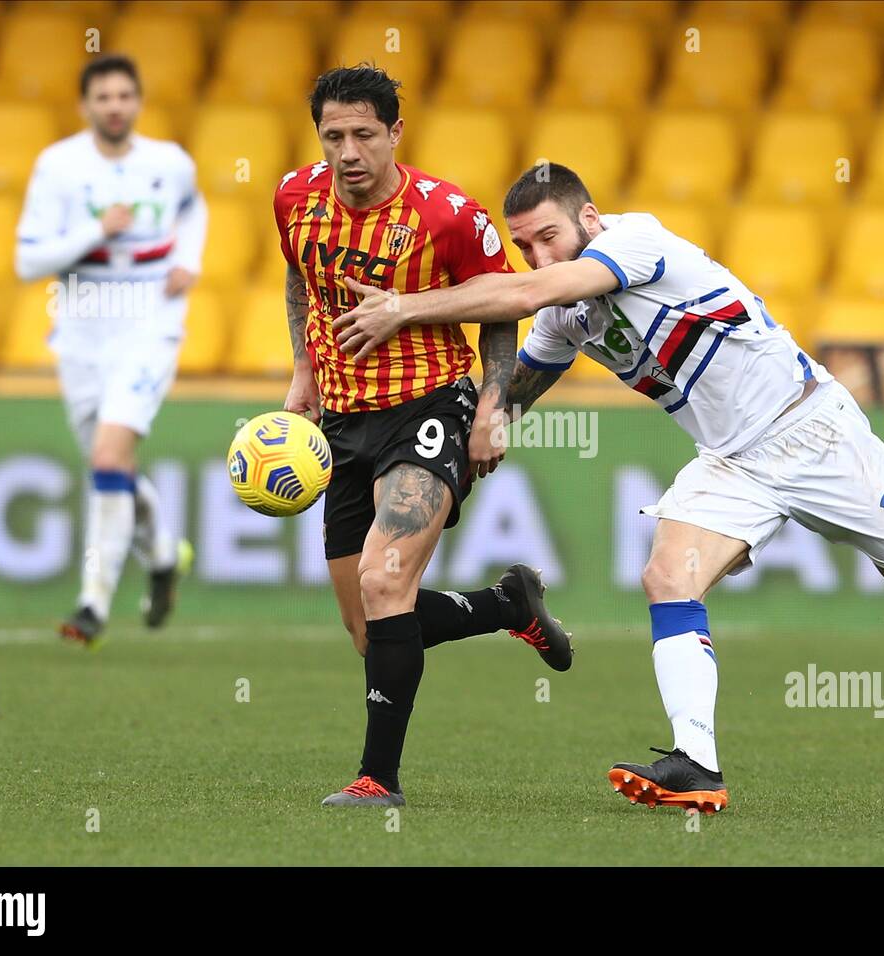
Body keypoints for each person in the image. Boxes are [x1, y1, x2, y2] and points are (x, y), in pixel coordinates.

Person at [330, 162, 884, 814]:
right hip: (732, 461)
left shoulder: (637, 242)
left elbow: (526, 293)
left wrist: (405, 307)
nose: (538, 254)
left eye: (547, 236)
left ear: (589, 218)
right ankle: (697, 765)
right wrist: (487, 421)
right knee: (666, 573)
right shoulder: (564, 310)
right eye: (524, 245)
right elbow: (527, 374)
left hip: (810, 430)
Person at [276, 67, 573, 808]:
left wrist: (493, 406)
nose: (347, 152)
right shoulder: (293, 198)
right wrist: (304, 371)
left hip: (428, 406)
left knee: (385, 583)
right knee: (369, 629)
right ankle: (509, 607)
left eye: (363, 135)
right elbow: (301, 279)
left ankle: (379, 780)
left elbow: (503, 306)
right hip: (340, 422)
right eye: (333, 135)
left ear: (394, 133)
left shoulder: (447, 214)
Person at [15, 54, 205, 647]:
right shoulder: (59, 167)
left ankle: (93, 602)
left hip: (149, 328)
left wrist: (189, 260)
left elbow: (193, 207)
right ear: (86, 106)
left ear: (138, 101)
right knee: (110, 466)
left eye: (125, 95)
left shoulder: (169, 163)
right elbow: (27, 261)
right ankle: (164, 554)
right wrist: (97, 230)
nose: (115, 106)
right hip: (79, 334)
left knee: (108, 456)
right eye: (104, 97)